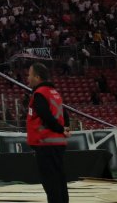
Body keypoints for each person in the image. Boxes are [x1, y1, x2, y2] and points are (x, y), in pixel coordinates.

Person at [27, 63, 71, 203]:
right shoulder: (54, 92)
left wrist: (59, 129)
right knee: (59, 178)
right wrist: (65, 128)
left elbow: (45, 115)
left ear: (37, 77)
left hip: (46, 143)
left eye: (29, 75)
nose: (28, 78)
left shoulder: (40, 93)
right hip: (58, 143)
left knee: (50, 182)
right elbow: (65, 114)